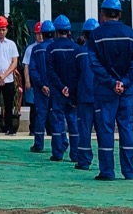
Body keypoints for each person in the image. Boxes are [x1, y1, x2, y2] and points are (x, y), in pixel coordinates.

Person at [87, 0, 133, 181]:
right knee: (126, 129)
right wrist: (124, 82)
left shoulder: (96, 35)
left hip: (105, 91)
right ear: (119, 14)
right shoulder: (131, 35)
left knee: (105, 130)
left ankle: (107, 171)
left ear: (102, 14)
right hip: (126, 92)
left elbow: (94, 63)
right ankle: (129, 171)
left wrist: (112, 83)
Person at [44, 15, 79, 162]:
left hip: (58, 92)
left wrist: (61, 87)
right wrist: (70, 88)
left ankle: (57, 153)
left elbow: (50, 71)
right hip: (72, 92)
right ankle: (75, 154)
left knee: (57, 122)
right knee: (73, 122)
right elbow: (78, 71)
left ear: (56, 31)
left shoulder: (51, 48)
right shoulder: (76, 48)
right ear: (69, 31)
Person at [73, 19, 98, 170]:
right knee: (103, 131)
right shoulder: (103, 52)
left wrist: (73, 97)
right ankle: (106, 164)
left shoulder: (79, 52)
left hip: (83, 97)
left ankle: (83, 161)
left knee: (84, 130)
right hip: (101, 97)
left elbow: (74, 76)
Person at [26, 21, 49, 153]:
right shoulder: (54, 47)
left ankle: (39, 144)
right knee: (56, 116)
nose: (39, 36)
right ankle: (60, 145)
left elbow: (33, 70)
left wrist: (41, 85)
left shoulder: (36, 50)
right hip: (54, 88)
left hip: (42, 88)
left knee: (42, 115)